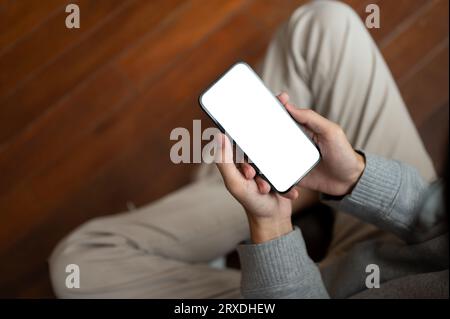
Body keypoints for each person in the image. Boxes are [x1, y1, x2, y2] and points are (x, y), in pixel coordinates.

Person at [49, 1, 448, 298]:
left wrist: (272, 230)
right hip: (404, 233)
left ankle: (268, 198)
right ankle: (307, 186)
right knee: (326, 25)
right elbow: (437, 220)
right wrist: (357, 178)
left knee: (80, 263)